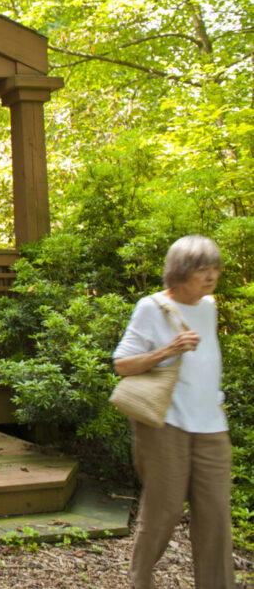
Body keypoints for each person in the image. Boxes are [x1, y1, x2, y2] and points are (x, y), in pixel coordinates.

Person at [113, 235, 231, 588]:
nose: (211, 277)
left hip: (211, 426)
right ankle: (141, 581)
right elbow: (122, 364)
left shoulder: (209, 307)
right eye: (202, 270)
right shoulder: (150, 307)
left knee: (215, 517)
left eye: (214, 269)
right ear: (180, 272)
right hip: (165, 424)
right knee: (163, 512)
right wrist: (168, 350)